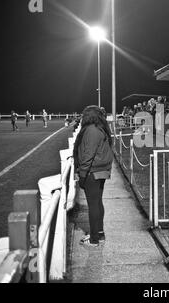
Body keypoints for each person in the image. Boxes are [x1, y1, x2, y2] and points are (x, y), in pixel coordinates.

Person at [73, 105, 113, 247]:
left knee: (93, 205)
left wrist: (82, 175)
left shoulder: (91, 130)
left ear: (89, 116)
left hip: (93, 172)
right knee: (97, 203)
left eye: (84, 115)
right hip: (99, 172)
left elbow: (88, 156)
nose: (82, 117)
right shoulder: (99, 128)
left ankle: (94, 239)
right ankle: (99, 234)